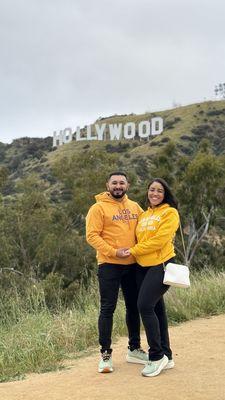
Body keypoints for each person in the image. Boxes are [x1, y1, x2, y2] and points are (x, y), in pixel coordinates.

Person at [86, 172, 148, 373]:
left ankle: (134, 348)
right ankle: (105, 354)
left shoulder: (135, 207)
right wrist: (113, 252)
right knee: (107, 308)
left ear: (127, 185)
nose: (118, 186)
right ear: (108, 185)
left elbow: (146, 229)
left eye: (122, 183)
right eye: (114, 183)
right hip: (109, 264)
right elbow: (92, 236)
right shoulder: (98, 208)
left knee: (134, 307)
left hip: (133, 264)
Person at [120, 178, 179, 377]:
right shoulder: (144, 215)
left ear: (165, 194)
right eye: (152, 190)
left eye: (159, 191)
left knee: (144, 306)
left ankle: (156, 356)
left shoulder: (170, 212)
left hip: (161, 264)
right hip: (142, 267)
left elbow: (160, 240)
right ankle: (167, 356)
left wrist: (133, 250)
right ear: (147, 192)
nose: (155, 193)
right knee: (156, 309)